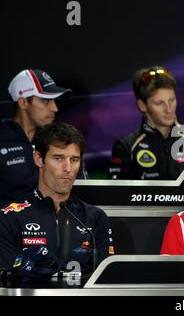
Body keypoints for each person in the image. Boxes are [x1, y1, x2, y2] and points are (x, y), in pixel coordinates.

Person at [0, 123, 114, 274]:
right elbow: (5, 283)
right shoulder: (10, 217)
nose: (67, 169)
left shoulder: (95, 218)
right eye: (58, 158)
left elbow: (107, 282)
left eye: (74, 160)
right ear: (39, 159)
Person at [0, 69, 78, 206]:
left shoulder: (60, 139)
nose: (55, 108)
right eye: (46, 100)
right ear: (23, 102)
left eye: (54, 100)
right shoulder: (3, 139)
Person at [109, 65, 184, 180]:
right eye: (159, 103)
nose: (169, 109)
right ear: (142, 105)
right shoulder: (127, 148)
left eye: (172, 100)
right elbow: (116, 195)